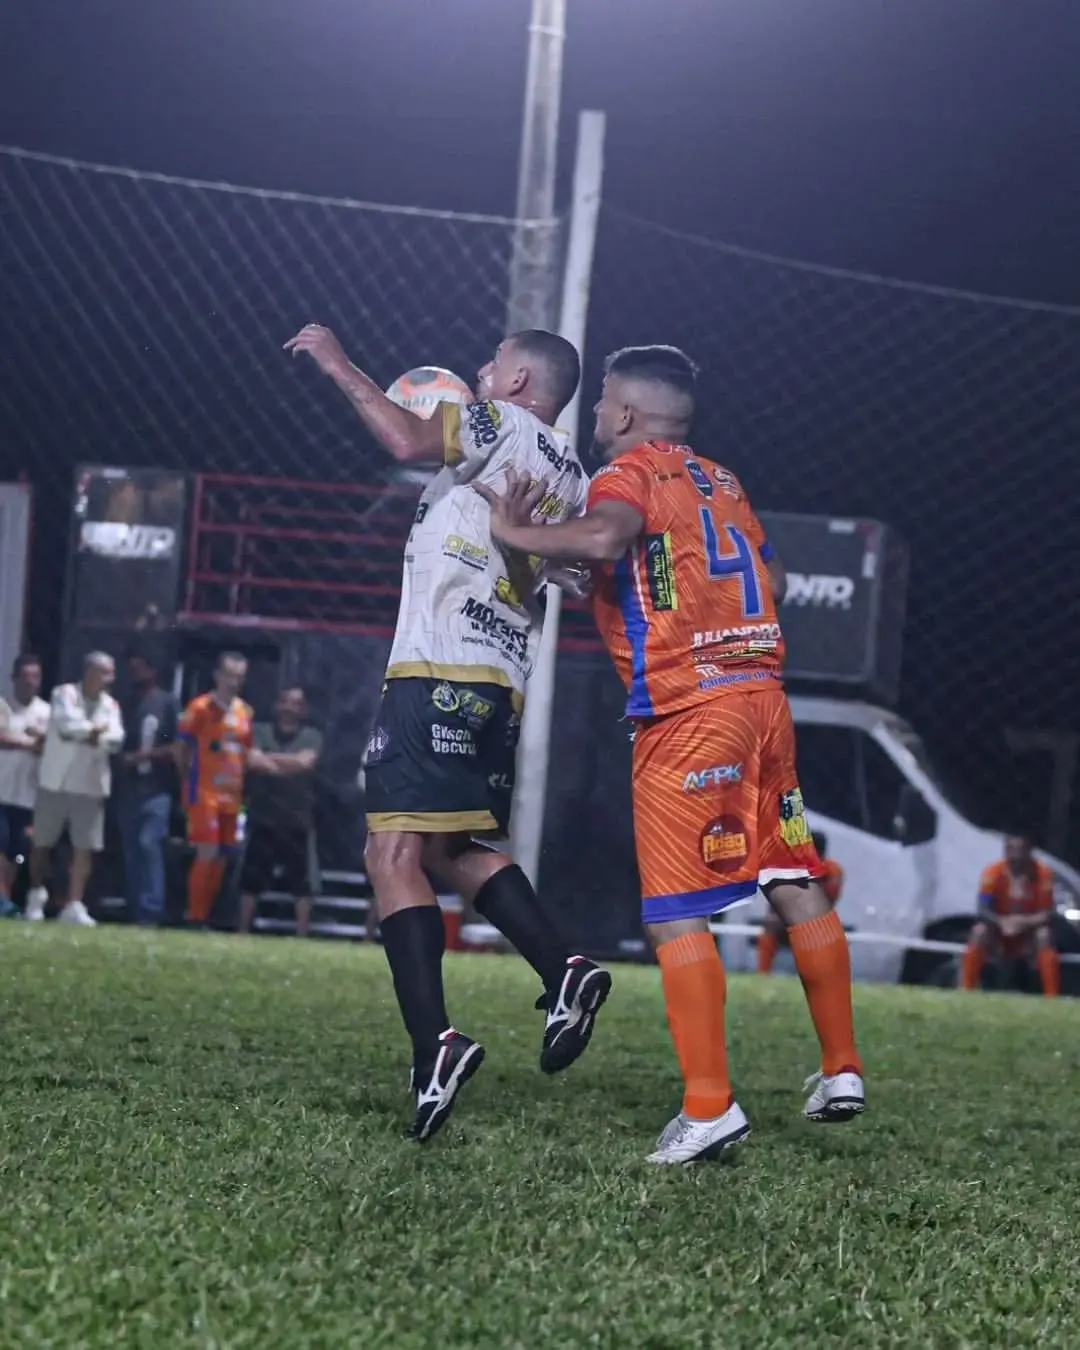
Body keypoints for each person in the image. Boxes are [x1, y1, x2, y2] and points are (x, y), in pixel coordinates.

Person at [478, 344, 865, 1164]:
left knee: (673, 912)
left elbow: (606, 535)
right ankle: (841, 1068)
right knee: (791, 874)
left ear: (622, 412)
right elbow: (771, 581)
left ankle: (708, 1107)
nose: (594, 414)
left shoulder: (625, 474)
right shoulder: (721, 481)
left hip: (690, 712)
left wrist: (516, 530)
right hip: (764, 702)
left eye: (600, 402)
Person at [286, 323, 612, 1142]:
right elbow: (568, 565)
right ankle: (565, 970)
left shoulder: (498, 424)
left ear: (522, 382)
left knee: (388, 854)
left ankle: (435, 1044)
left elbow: (403, 437)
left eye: (494, 363)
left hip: (437, 667)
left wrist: (339, 364)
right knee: (446, 849)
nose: (479, 371)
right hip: (499, 681)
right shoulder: (572, 471)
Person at [26, 651, 124, 926]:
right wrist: (95, 732)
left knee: (84, 847)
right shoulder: (63, 693)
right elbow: (66, 725)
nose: (111, 679)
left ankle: (74, 904)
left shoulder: (111, 704)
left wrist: (93, 735)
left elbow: (117, 738)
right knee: (42, 843)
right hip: (55, 782)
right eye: (106, 672)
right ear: (90, 672)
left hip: (90, 785)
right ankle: (35, 897)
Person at [176, 652, 253, 928]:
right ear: (217, 675)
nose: (234, 682)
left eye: (239, 677)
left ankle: (207, 913)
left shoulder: (245, 711)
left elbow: (246, 752)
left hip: (232, 794)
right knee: (206, 852)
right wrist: (187, 781)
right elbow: (181, 748)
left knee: (223, 855)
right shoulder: (200, 707)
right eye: (229, 675)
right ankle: (195, 916)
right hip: (204, 791)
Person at [239, 686, 323, 938]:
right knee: (250, 880)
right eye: (285, 701)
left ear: (303, 709)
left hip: (296, 820)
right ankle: (242, 931)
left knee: (303, 884)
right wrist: (289, 763)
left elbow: (306, 762)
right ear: (277, 704)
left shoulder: (312, 735)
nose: (289, 707)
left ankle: (302, 935)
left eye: (295, 703)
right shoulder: (259, 731)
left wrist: (270, 761)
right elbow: (252, 759)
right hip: (263, 817)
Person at [116, 645, 178, 926]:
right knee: (131, 849)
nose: (134, 673)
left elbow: (177, 746)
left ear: (152, 670)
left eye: (139, 668)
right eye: (131, 668)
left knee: (149, 844)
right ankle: (133, 907)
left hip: (157, 789)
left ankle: (151, 909)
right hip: (128, 789)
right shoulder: (124, 704)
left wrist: (146, 756)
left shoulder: (167, 703)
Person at [960, 832, 1059, 996]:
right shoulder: (993, 872)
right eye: (1011, 849)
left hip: (1028, 932)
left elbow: (1047, 913)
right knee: (979, 932)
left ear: (1029, 851)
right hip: (999, 930)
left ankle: (1051, 995)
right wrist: (1002, 922)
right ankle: (966, 989)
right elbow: (982, 908)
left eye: (1021, 850)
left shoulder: (1043, 873)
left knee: (1044, 935)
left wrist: (1022, 923)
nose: (1016, 855)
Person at [0, 654, 50, 917]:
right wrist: (31, 743)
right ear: (14, 678)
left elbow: (52, 746)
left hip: (28, 796)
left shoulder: (47, 713)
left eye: (35, 677)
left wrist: (38, 740)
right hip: (2, 791)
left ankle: (5, 898)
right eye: (26, 676)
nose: (30, 682)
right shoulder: (3, 707)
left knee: (16, 852)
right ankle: (2, 899)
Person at [757, 830, 844, 973]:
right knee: (770, 928)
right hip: (788, 920)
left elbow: (827, 902)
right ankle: (762, 974)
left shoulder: (833, 871)